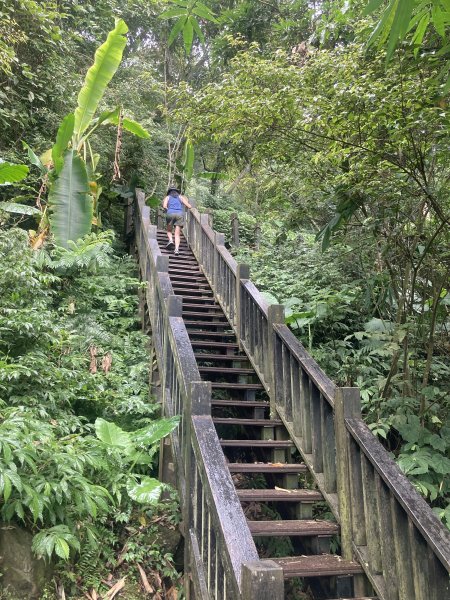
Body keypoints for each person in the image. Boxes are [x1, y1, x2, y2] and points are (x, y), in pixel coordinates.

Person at [162, 186, 192, 255]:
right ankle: (176, 249)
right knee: (177, 234)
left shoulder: (168, 197)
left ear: (169, 192)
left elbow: (164, 206)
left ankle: (171, 240)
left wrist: (167, 209)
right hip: (179, 215)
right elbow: (189, 206)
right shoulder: (180, 197)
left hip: (170, 213)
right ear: (177, 192)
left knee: (169, 230)